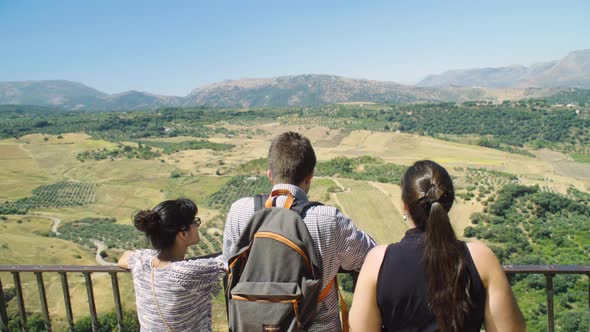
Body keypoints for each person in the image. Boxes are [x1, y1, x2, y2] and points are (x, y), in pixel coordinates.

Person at [223, 131, 376, 331]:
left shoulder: (239, 211)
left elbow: (229, 266)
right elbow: (371, 255)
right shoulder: (329, 220)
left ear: (270, 174)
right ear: (310, 177)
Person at [349, 160, 526, 332]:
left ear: (405, 206)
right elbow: (511, 328)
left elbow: (360, 327)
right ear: (448, 203)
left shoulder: (377, 261)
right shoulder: (481, 258)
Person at [118, 198, 226, 332]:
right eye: (195, 222)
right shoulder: (185, 273)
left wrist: (150, 256)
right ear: (183, 233)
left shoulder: (142, 262)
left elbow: (124, 257)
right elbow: (231, 260)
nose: (197, 226)